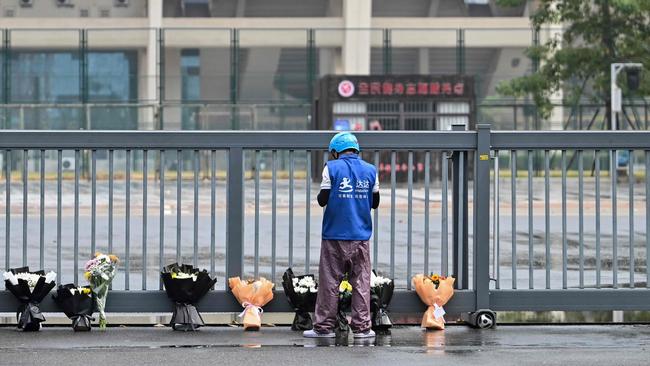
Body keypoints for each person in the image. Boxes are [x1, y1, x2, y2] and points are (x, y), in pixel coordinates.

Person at [303, 132, 380, 339]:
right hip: (361, 235)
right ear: (356, 150)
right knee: (361, 282)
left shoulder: (331, 167)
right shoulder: (371, 171)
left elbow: (322, 199)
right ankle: (363, 328)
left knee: (330, 281)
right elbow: (375, 202)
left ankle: (324, 328)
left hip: (334, 235)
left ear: (336, 152)